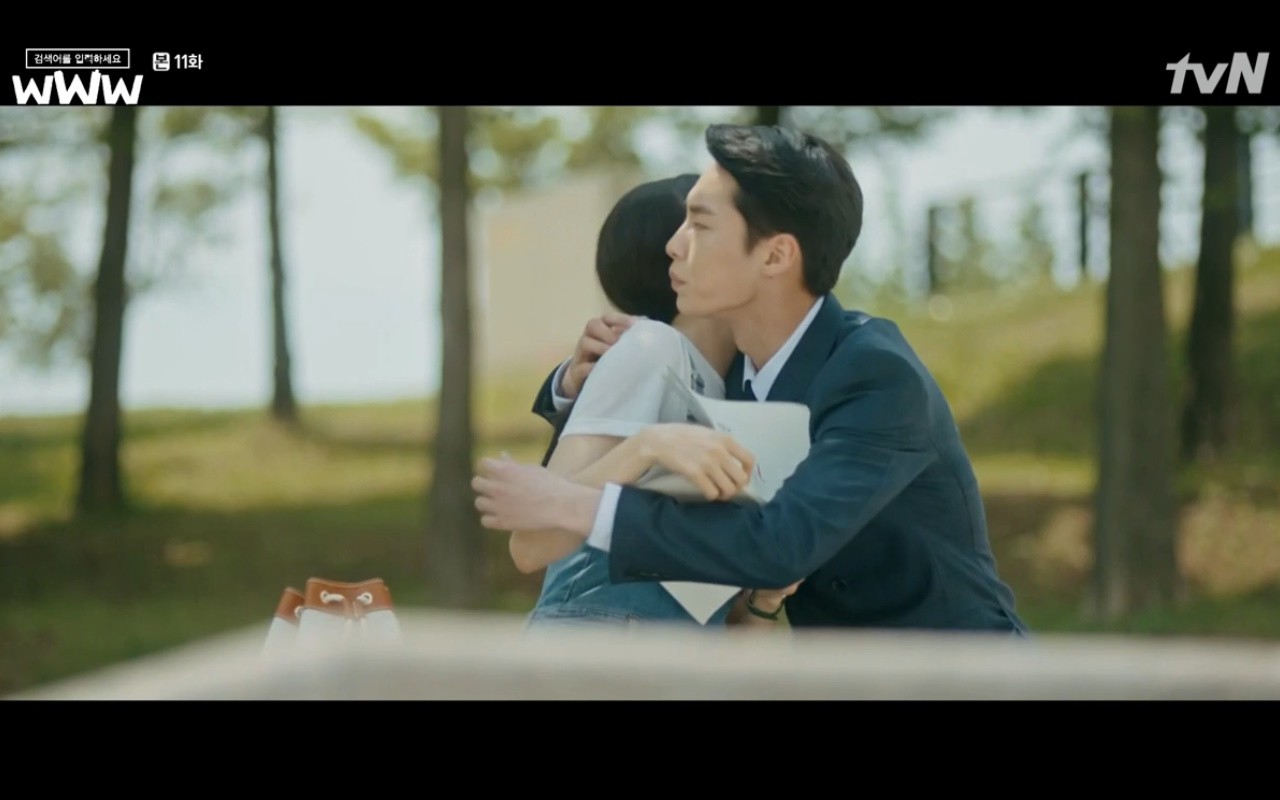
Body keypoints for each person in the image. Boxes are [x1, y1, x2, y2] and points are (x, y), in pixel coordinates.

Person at [474, 123, 1029, 635]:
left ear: (776, 255)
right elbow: (658, 383)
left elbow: (782, 543)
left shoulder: (875, 374)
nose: (673, 245)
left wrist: (573, 504)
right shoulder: (731, 374)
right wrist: (571, 382)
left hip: (961, 671)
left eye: (700, 224)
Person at [513, 173, 800, 630]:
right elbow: (530, 541)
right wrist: (647, 447)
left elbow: (729, 623)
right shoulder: (654, 349)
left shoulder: (737, 397)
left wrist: (766, 596)